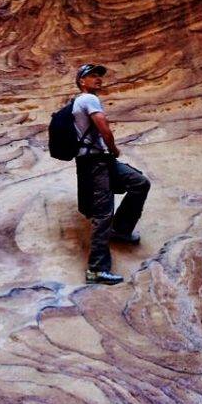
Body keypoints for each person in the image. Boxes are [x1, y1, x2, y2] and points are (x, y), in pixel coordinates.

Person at [72, 63, 150, 285]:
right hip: (95, 163)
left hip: (100, 160)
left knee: (139, 183)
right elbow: (103, 127)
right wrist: (113, 148)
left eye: (99, 75)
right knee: (103, 213)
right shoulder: (88, 99)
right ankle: (96, 270)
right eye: (92, 75)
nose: (98, 78)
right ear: (81, 81)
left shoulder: (82, 101)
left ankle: (121, 230)